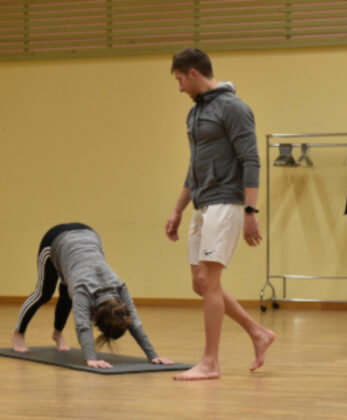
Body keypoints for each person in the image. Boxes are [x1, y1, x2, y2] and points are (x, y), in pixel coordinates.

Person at [165, 48, 275, 380]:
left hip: (227, 202)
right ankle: (258, 332)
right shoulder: (195, 114)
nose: (179, 88)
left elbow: (251, 160)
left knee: (209, 281)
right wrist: (178, 209)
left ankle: (210, 362)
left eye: (180, 79)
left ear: (193, 73)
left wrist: (250, 211)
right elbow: (195, 166)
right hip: (202, 204)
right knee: (200, 283)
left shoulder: (234, 108)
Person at [12, 222, 173, 368]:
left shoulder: (120, 288)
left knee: (68, 290)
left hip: (89, 235)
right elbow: (83, 326)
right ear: (95, 317)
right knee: (43, 293)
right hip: (55, 240)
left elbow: (134, 322)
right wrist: (91, 358)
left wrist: (153, 355)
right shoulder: (83, 290)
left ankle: (57, 334)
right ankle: (18, 333)